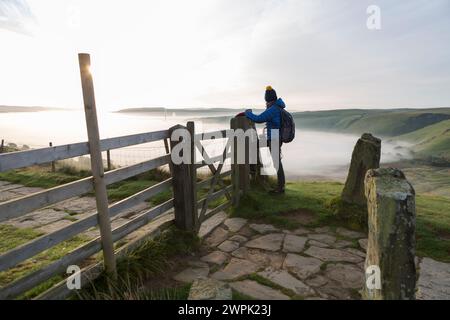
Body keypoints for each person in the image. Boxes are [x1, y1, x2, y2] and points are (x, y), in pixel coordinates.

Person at [245, 86, 286, 194]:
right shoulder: (278, 107)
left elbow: (259, 119)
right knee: (254, 145)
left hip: (274, 137)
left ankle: (280, 188)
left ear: (267, 99)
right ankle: (255, 170)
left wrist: (248, 113)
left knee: (277, 163)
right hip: (275, 136)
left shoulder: (273, 109)